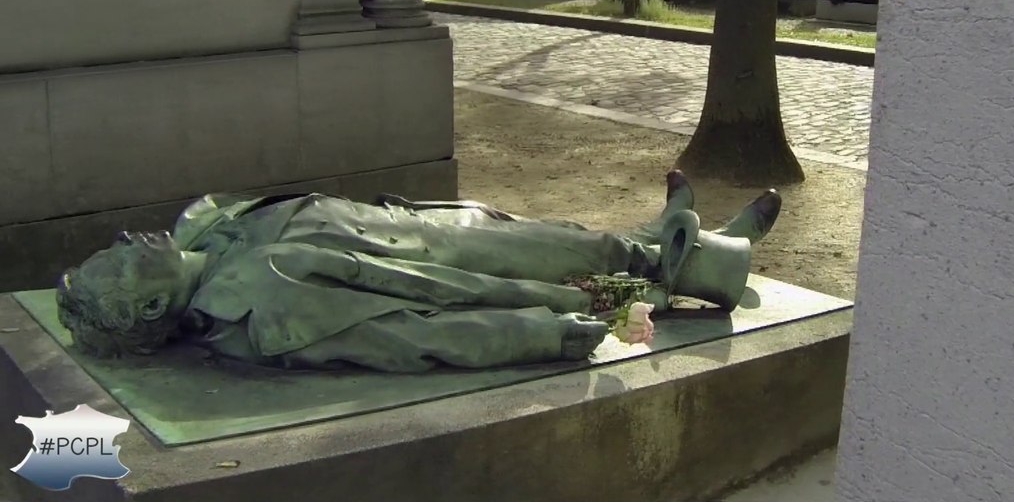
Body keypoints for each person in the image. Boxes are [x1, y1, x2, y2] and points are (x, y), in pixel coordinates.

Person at [54, 172, 781, 373]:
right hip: (443, 266)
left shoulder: (210, 224)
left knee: (559, 238)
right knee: (568, 264)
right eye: (119, 262)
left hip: (427, 226)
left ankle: (665, 243)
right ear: (150, 309)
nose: (123, 239)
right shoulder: (260, 308)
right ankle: (706, 263)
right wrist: (535, 335)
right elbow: (401, 336)